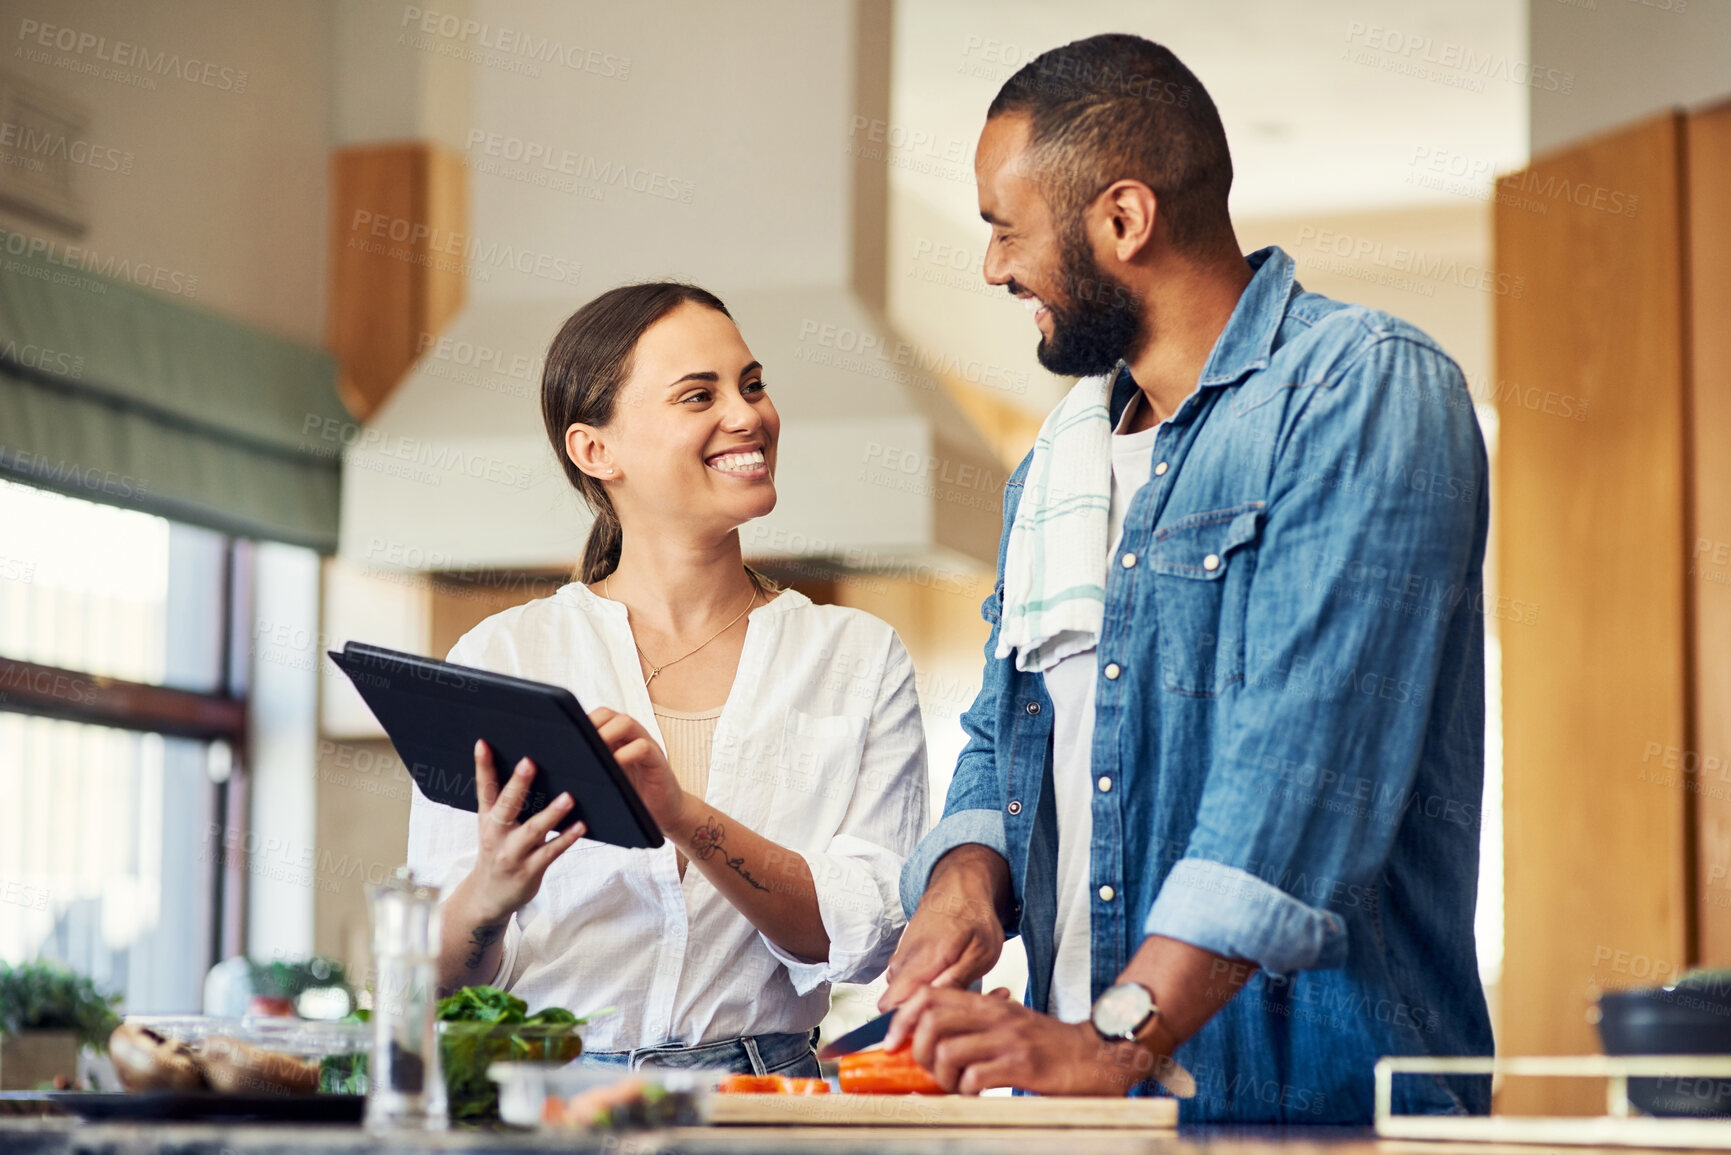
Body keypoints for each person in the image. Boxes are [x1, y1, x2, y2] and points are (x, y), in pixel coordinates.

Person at [879, 34, 1493, 1123]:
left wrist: (1118, 1039)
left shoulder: (1362, 390)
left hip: (1311, 1115)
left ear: (1123, 220)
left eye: (1004, 229)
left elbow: (1301, 767)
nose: (992, 269)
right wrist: (967, 879)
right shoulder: (1054, 472)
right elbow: (1004, 731)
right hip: (1085, 1113)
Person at [406, 282, 929, 1078]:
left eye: (752, 384)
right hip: (552, 1105)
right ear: (595, 450)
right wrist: (492, 889)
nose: (748, 414)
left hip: (763, 1106)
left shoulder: (857, 655)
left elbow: (858, 935)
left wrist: (680, 814)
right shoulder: (503, 658)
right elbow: (431, 979)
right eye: (699, 395)